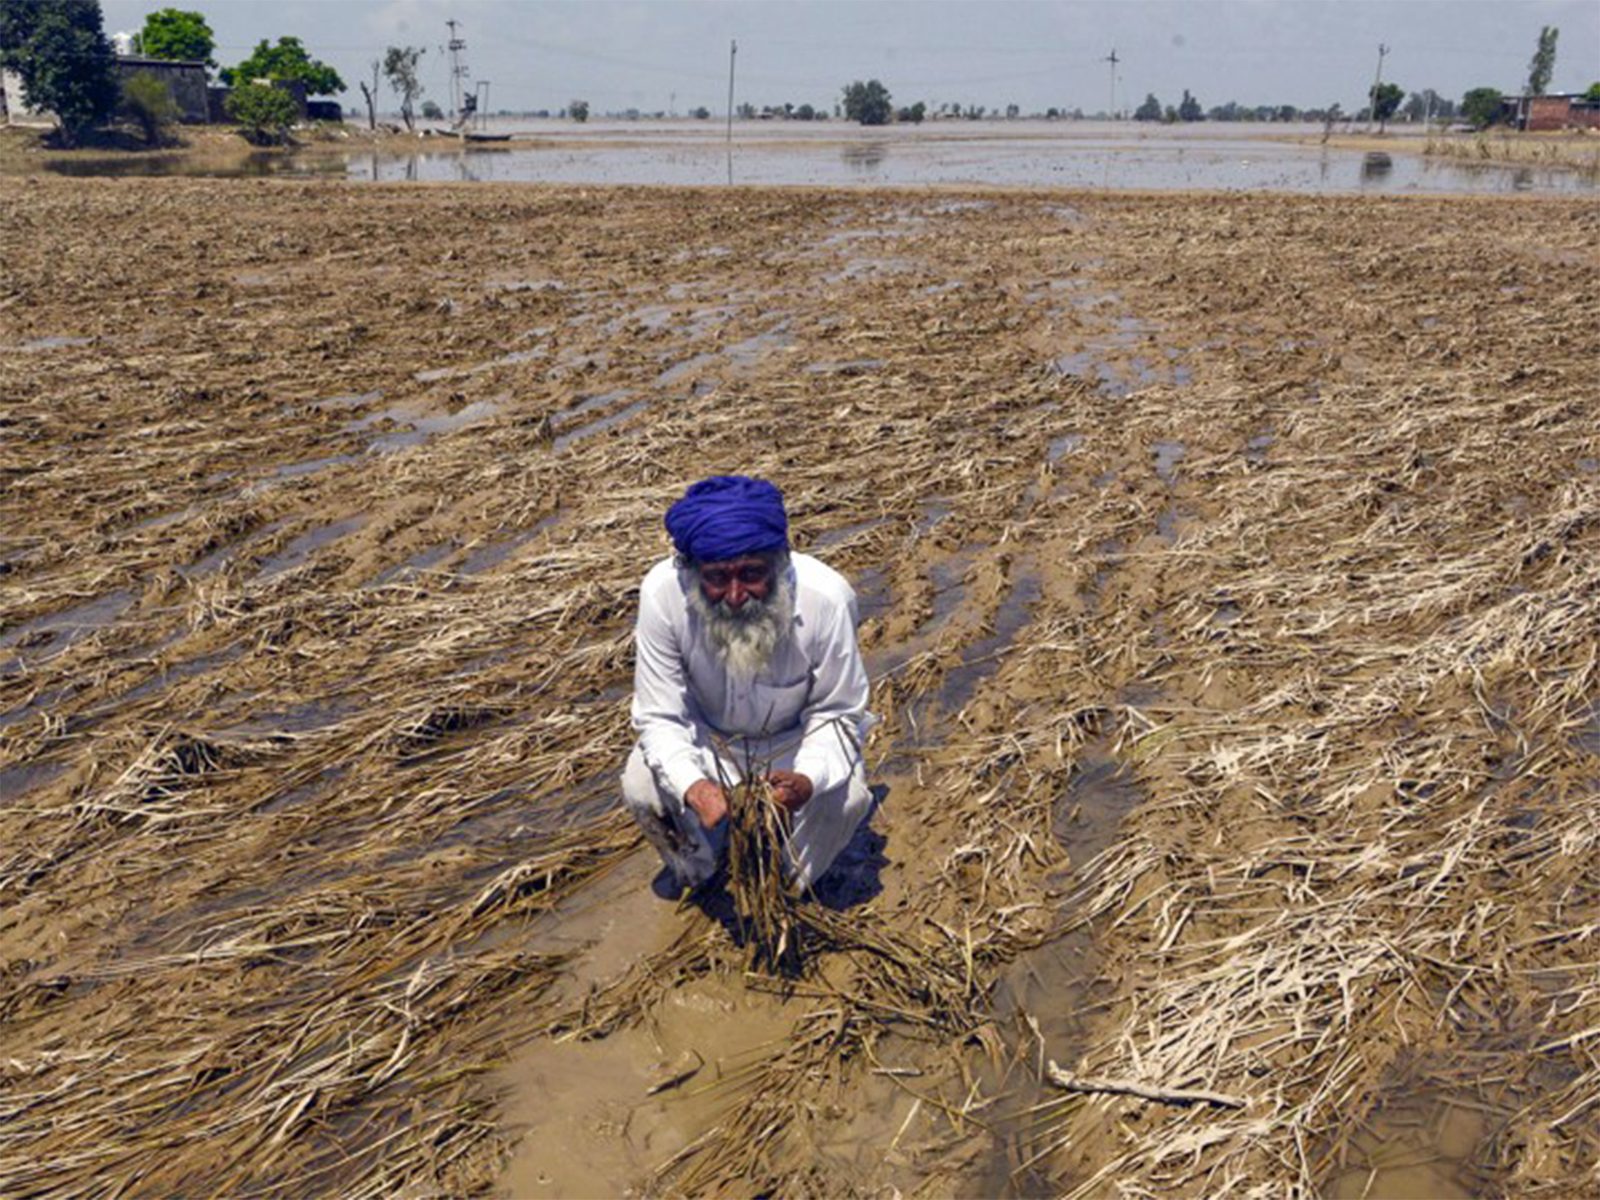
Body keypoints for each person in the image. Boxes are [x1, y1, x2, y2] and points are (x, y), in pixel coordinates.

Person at [623, 475, 874, 894]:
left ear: (779, 562)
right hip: (711, 740)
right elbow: (661, 716)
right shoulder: (662, 596)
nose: (736, 595)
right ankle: (701, 872)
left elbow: (837, 713)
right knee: (641, 786)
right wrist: (696, 787)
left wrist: (808, 779)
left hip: (794, 742)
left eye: (752, 574)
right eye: (717, 578)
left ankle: (792, 887)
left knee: (845, 800)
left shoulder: (826, 600)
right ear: (690, 571)